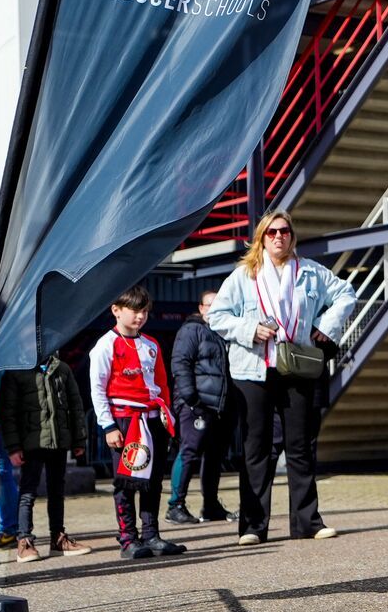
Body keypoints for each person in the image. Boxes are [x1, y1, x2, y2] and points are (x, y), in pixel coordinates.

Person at [206, 210, 356, 545]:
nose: (278, 237)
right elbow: (216, 315)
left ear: (292, 236)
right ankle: (252, 526)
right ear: (261, 237)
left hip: (296, 367)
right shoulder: (244, 275)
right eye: (271, 232)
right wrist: (249, 328)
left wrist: (326, 326)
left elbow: (346, 293)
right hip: (253, 370)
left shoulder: (311, 272)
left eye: (284, 231)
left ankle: (307, 522)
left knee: (300, 446)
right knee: (256, 448)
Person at [89, 286, 184, 559]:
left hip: (153, 419)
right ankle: (128, 538)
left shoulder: (152, 344)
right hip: (125, 420)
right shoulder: (106, 345)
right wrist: (108, 426)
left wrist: (167, 419)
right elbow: (97, 389)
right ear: (116, 310)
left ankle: (151, 535)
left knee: (153, 480)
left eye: (144, 311)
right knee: (127, 482)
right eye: (134, 310)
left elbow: (162, 385)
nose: (140, 316)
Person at [0, 351, 91, 560]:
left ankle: (58, 538)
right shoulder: (16, 371)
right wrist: (13, 447)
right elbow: (8, 412)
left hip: (58, 441)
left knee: (57, 490)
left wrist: (79, 440)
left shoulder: (62, 369)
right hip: (31, 443)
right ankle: (24, 540)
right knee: (27, 492)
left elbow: (75, 405)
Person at [168, 288, 235, 524]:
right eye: (210, 305)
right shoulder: (192, 330)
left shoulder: (221, 332)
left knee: (214, 456)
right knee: (189, 451)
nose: (215, 309)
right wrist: (191, 398)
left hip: (217, 406)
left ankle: (211, 505)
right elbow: (181, 363)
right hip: (196, 405)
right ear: (201, 308)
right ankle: (175, 505)